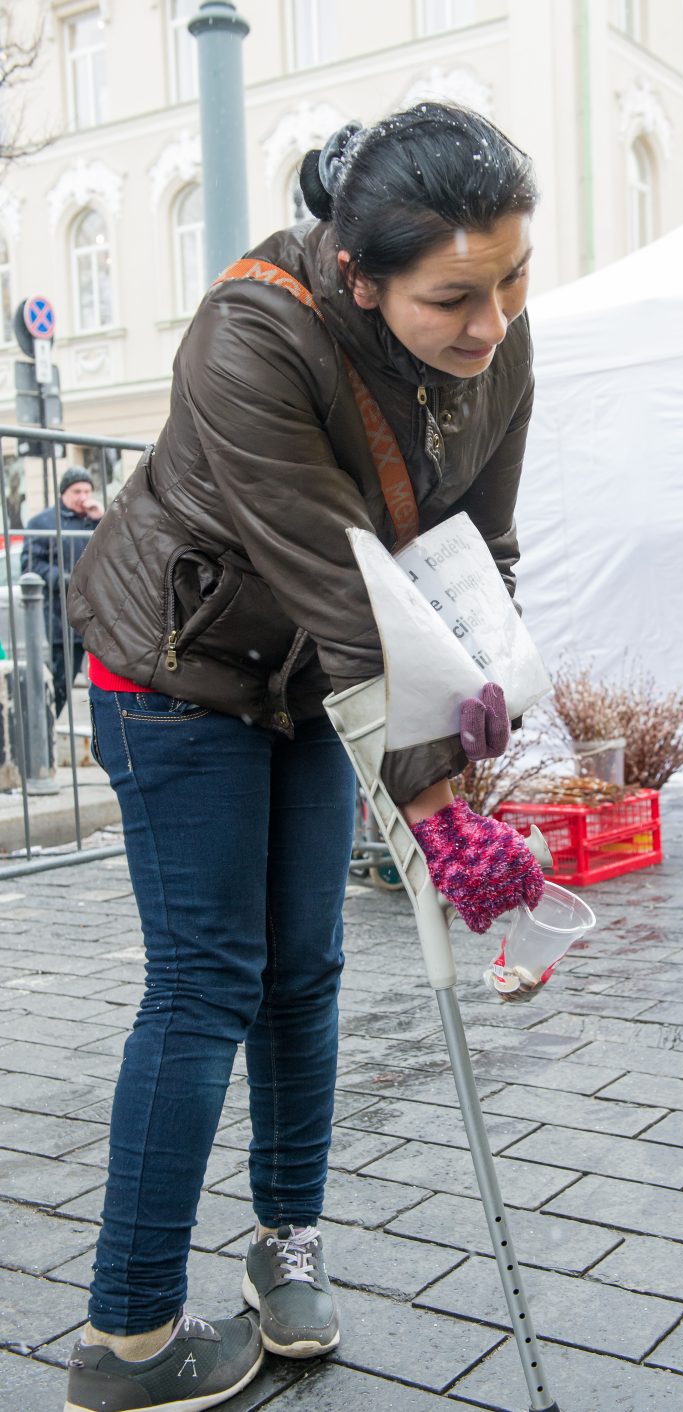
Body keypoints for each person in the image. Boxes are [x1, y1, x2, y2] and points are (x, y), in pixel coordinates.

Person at [64, 103, 545, 1412]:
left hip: (314, 679)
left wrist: (492, 711)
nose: (492, 319)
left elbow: (469, 561)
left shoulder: (497, 343)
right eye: (455, 295)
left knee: (308, 970)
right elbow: (354, 606)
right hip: (179, 665)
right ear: (356, 271)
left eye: (512, 277)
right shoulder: (252, 334)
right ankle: (131, 1340)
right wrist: (441, 820)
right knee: (211, 976)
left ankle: (288, 1251)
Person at [21, 467, 102, 716]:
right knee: (60, 685)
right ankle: (43, 736)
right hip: (63, 619)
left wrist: (102, 518)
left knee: (104, 686)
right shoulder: (42, 522)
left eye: (87, 490)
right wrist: (64, 579)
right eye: (77, 491)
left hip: (100, 616)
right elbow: (31, 565)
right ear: (63, 493)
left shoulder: (96, 519)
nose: (83, 496)